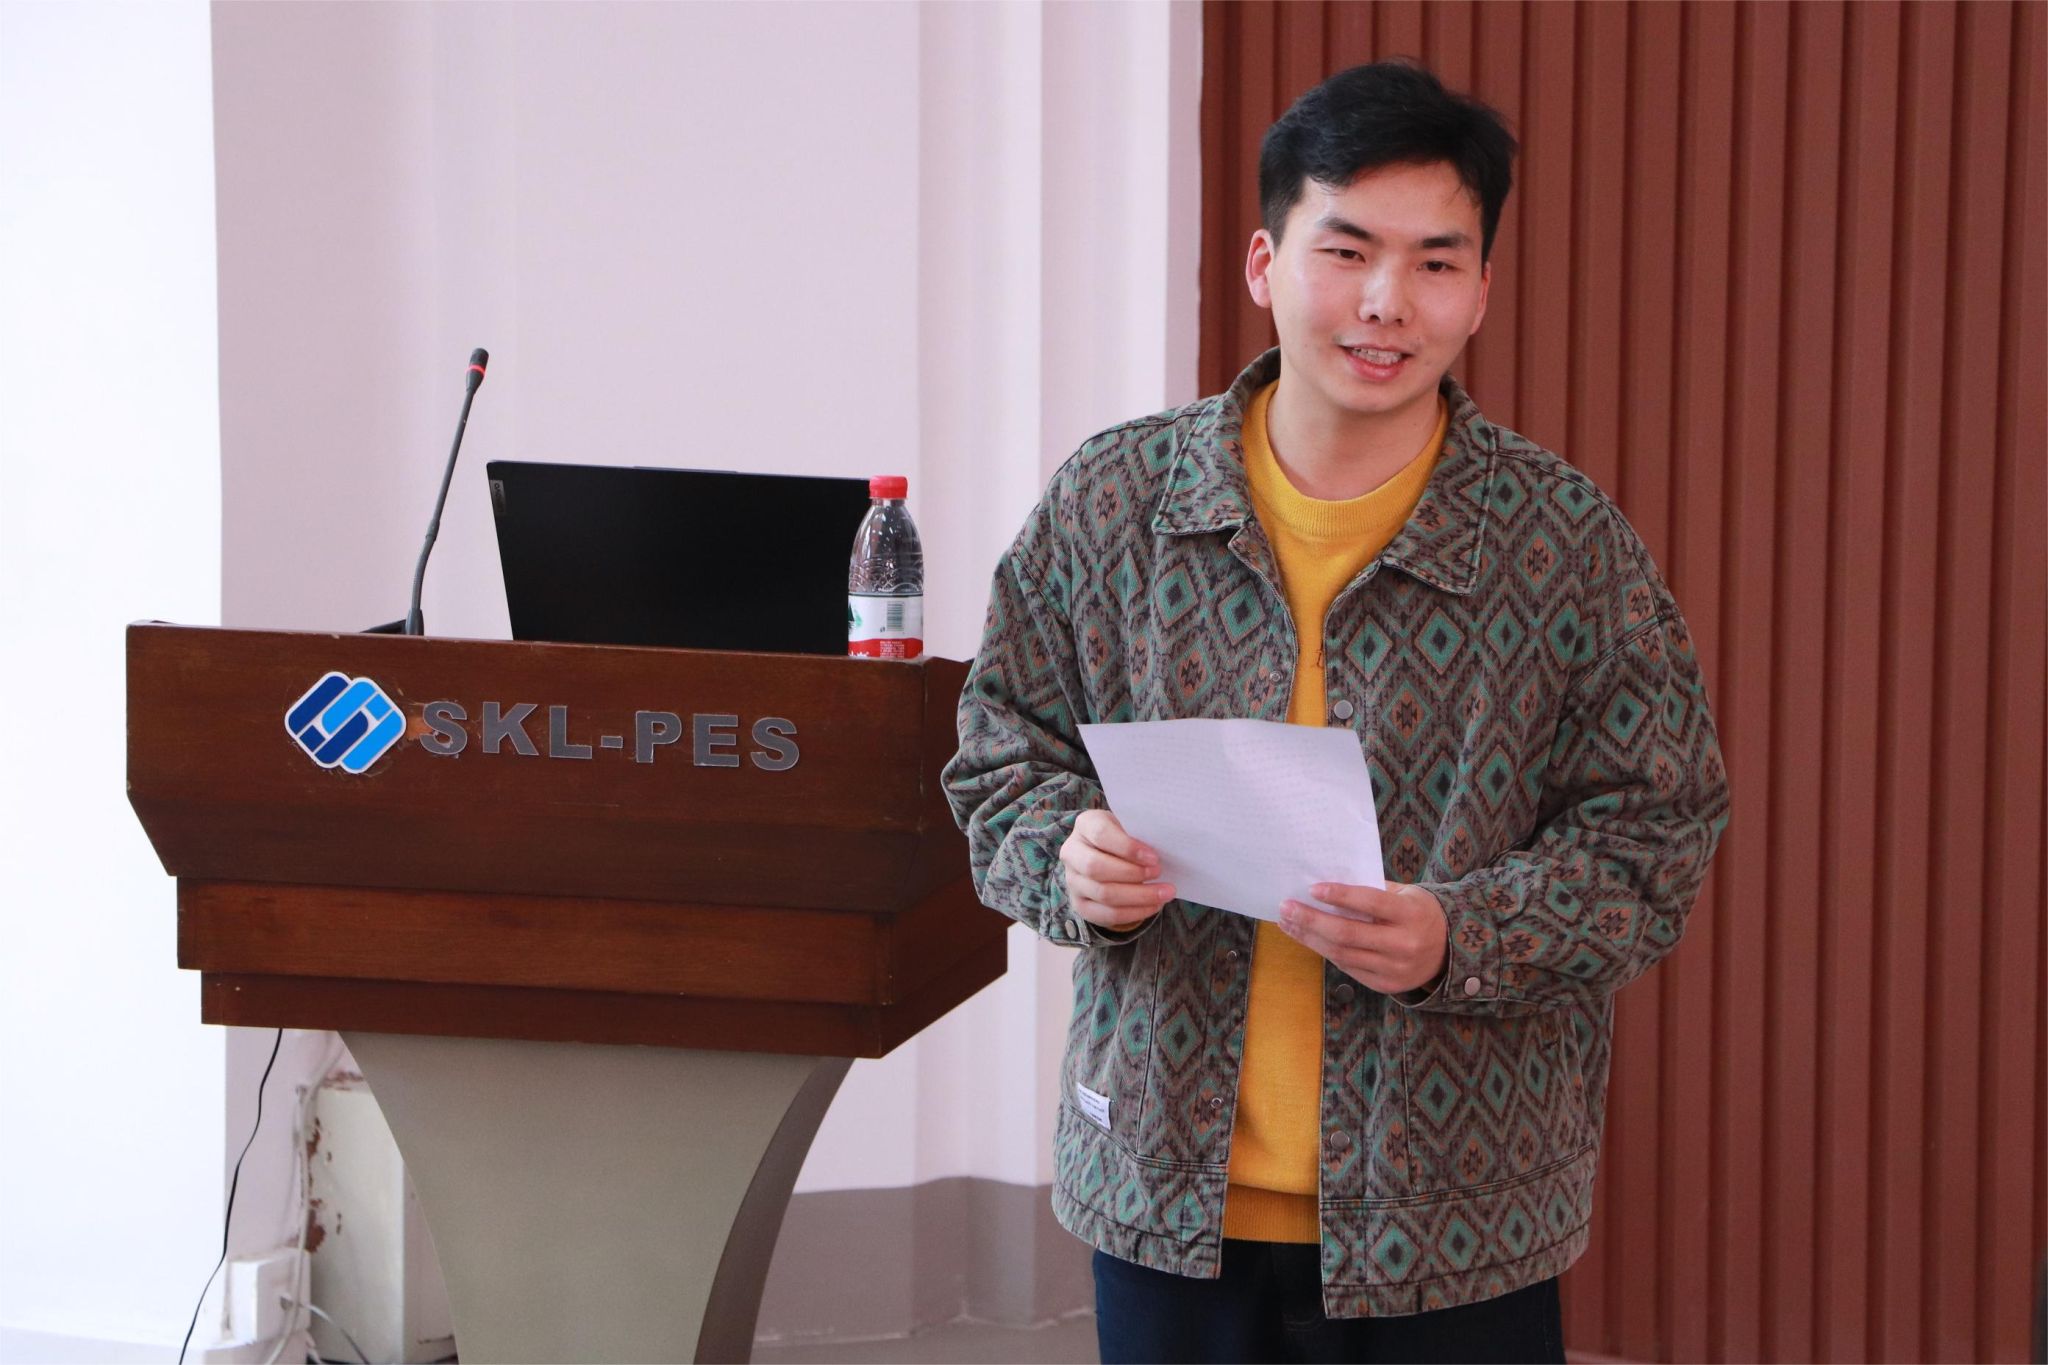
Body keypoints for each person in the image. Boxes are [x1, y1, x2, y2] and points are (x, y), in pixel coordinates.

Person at [942, 59, 1729, 1365]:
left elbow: (1659, 830)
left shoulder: (1562, 543)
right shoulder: (1115, 504)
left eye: (1435, 262)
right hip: (1164, 1190)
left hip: (1458, 1209)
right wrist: (1065, 858)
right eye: (1347, 250)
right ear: (1265, 262)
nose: (1385, 302)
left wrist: (1461, 934)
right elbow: (996, 753)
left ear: (1481, 288)